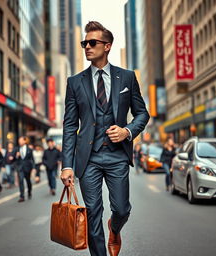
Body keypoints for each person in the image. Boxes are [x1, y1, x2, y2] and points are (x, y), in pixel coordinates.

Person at [60, 21, 150, 256]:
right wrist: (67, 165)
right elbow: (70, 125)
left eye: (92, 43)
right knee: (92, 213)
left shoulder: (127, 78)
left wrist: (127, 131)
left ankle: (115, 227)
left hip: (117, 155)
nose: (87, 47)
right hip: (87, 158)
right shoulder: (74, 82)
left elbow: (142, 113)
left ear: (107, 46)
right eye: (84, 43)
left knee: (121, 209)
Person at [15, 136, 35, 202]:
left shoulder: (29, 149)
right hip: (20, 168)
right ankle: (22, 196)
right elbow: (13, 158)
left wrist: (33, 168)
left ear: (24, 141)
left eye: (21, 140)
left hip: (27, 168)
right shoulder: (17, 149)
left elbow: (32, 159)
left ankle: (29, 191)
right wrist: (16, 156)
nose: (19, 142)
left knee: (28, 181)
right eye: (19, 140)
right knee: (21, 181)